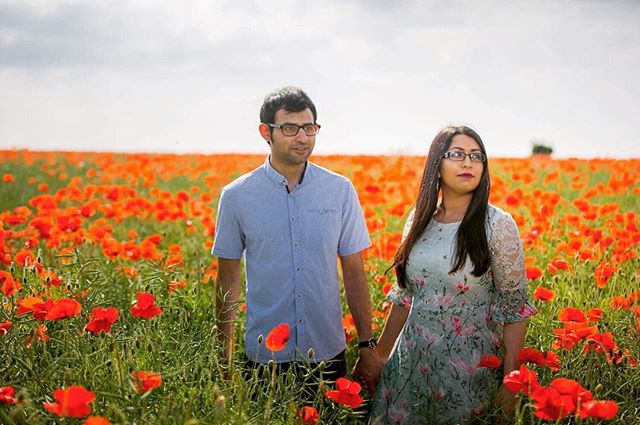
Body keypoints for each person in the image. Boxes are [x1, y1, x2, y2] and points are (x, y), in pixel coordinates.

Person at [212, 86, 378, 396]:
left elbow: (355, 271)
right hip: (265, 359)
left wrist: (367, 344)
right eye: (290, 128)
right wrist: (224, 359)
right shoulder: (237, 197)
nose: (302, 137)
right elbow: (228, 280)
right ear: (266, 132)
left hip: (326, 353)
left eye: (309, 128)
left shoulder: (339, 190)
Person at [365, 125, 537, 424]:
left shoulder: (497, 225)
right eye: (457, 154)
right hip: (408, 368)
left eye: (476, 156)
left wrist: (512, 383)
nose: (468, 162)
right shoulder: (420, 219)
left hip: (468, 372)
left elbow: (514, 309)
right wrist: (379, 357)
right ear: (437, 163)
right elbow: (405, 295)